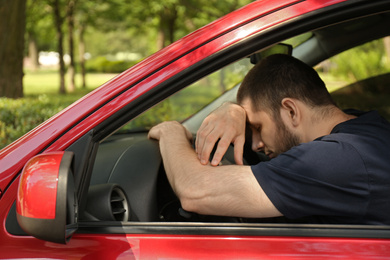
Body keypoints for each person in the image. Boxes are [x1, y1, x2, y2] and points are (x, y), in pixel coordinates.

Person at [148, 54, 390, 224]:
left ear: (291, 111)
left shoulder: (339, 159)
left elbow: (195, 191)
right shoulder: (363, 130)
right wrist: (232, 108)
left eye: (257, 127)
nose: (256, 145)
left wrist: (171, 131)